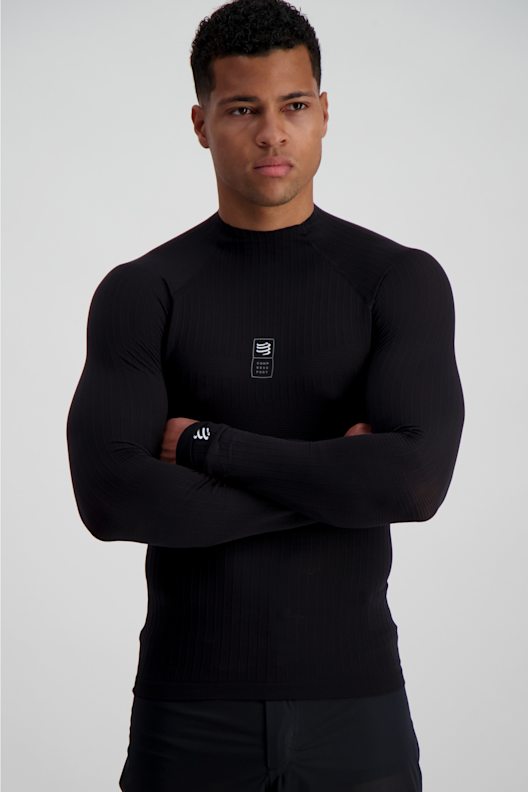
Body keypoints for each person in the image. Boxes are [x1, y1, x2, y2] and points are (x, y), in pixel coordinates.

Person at [66, 0, 465, 789]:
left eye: (294, 106)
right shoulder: (144, 291)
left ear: (325, 113)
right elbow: (111, 500)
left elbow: (413, 485)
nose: (273, 133)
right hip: (187, 709)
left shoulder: (397, 281)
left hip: (358, 707)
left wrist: (209, 445)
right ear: (202, 123)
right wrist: (340, 482)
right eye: (243, 109)